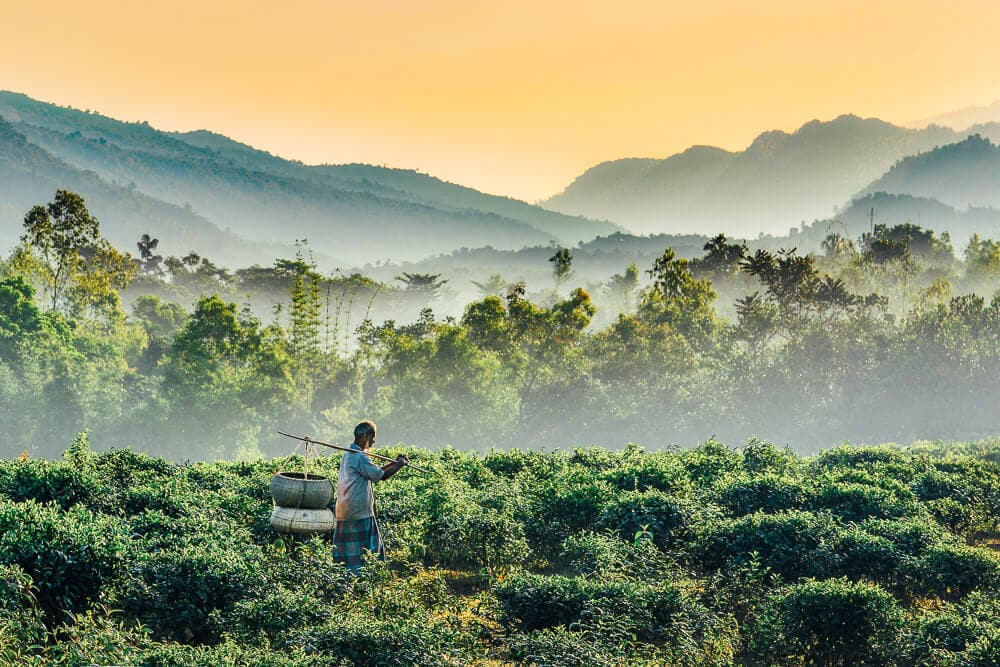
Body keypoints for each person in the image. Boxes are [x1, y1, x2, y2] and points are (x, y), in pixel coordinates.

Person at [331, 420, 407, 573]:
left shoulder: (350, 454)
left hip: (345, 509)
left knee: (348, 554)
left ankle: (347, 577)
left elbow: (375, 472)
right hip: (358, 511)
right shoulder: (359, 457)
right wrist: (399, 465)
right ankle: (366, 577)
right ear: (365, 436)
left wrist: (395, 463)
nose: (374, 441)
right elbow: (381, 476)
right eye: (373, 437)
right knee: (370, 550)